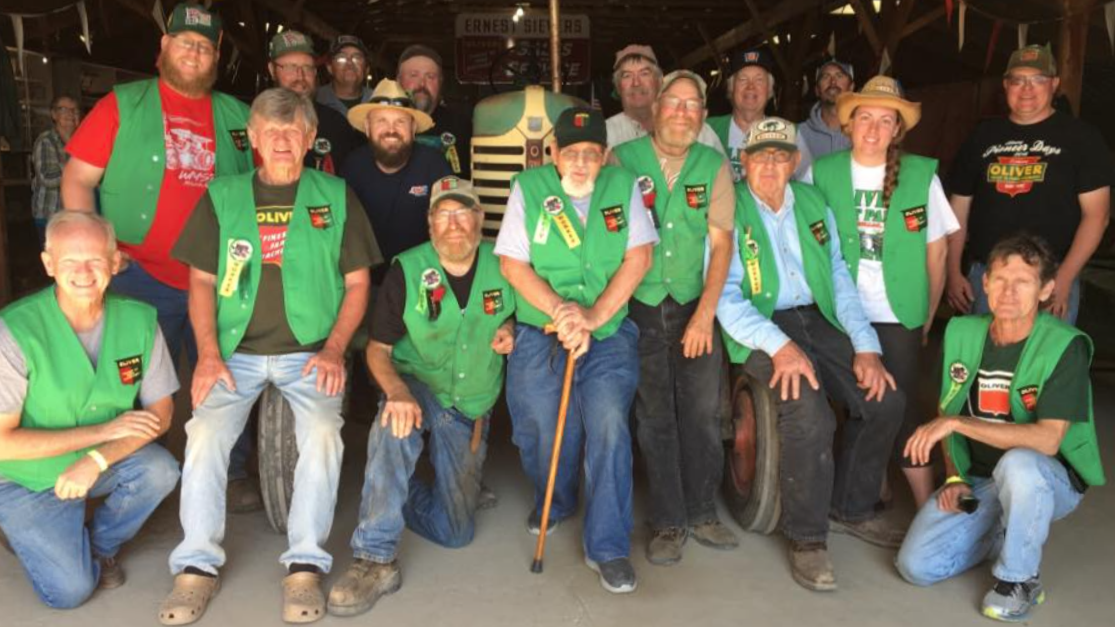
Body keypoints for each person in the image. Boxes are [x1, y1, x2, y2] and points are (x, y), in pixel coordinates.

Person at [159, 88, 380, 625]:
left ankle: (304, 564)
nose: (282, 141)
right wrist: (208, 355)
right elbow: (201, 281)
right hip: (235, 353)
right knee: (204, 435)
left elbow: (357, 283)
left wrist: (334, 350)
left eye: (292, 131)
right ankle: (196, 567)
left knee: (324, 435)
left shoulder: (335, 194)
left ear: (309, 138)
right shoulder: (223, 196)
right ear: (254, 138)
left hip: (310, 354)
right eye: (271, 132)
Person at [717, 117, 905, 592]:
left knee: (884, 400)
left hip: (819, 317)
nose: (770, 166)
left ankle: (851, 508)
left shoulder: (813, 202)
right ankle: (807, 539)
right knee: (808, 412)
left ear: (795, 162)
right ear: (744, 162)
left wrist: (865, 345)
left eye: (780, 156)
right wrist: (780, 346)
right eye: (760, 157)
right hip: (761, 325)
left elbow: (838, 275)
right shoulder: (729, 206)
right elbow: (725, 295)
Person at [328, 177, 514, 616]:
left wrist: (511, 329)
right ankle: (375, 557)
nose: (454, 224)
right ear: (430, 223)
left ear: (480, 218)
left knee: (456, 532)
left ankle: (395, 488)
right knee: (394, 426)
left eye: (463, 213)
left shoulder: (507, 263)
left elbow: (527, 316)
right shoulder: (407, 269)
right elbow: (377, 350)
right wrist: (396, 392)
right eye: (444, 214)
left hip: (470, 404)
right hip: (418, 386)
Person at [897, 234, 1105, 622]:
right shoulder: (961, 332)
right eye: (1000, 280)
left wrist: (956, 422)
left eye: (1023, 282)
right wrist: (955, 476)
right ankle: (1006, 528)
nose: (1009, 292)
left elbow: (1047, 440)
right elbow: (948, 407)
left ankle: (1020, 580)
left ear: (1046, 290)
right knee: (916, 566)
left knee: (1019, 464)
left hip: (1048, 479)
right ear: (985, 284)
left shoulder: (1065, 346)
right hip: (982, 478)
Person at [496, 106, 656, 593]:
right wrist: (563, 312)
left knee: (608, 423)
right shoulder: (528, 188)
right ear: (554, 153)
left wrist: (592, 317)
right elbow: (512, 264)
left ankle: (608, 545)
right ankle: (558, 498)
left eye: (591, 153)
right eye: (572, 153)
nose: (582, 163)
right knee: (539, 425)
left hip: (606, 331)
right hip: (541, 328)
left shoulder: (622, 185)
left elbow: (639, 257)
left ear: (604, 155)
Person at [0, 212, 180, 609]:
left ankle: (100, 545)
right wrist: (101, 433)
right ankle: (27, 529)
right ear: (48, 264)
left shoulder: (140, 320)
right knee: (69, 593)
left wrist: (96, 459)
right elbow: (3, 445)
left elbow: (162, 414)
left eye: (96, 260)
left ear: (115, 262)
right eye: (70, 261)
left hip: (98, 461)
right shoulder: (14, 330)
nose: (83, 273)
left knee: (160, 470)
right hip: (23, 478)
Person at [61, 2, 254, 365]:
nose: (194, 53)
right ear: (165, 44)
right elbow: (77, 179)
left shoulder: (242, 117)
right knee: (138, 387)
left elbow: (272, 187)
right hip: (138, 276)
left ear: (216, 56)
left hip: (223, 280)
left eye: (205, 46)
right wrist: (98, 249)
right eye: (185, 42)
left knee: (223, 386)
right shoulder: (121, 104)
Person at [806, 75, 960, 507]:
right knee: (857, 404)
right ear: (848, 124)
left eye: (885, 120)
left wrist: (925, 317)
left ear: (897, 130)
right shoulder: (821, 173)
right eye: (865, 118)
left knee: (902, 407)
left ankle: (925, 504)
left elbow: (937, 254)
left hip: (899, 312)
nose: (873, 129)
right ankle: (871, 488)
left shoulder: (921, 175)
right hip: (840, 312)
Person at [612, 71, 738, 566]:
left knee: (702, 413)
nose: (682, 113)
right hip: (639, 303)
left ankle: (703, 511)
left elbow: (722, 244)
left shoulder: (713, 165)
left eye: (692, 105)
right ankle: (667, 520)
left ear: (703, 116)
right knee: (654, 415)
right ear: (656, 108)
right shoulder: (622, 160)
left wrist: (705, 313)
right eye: (674, 103)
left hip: (692, 302)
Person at [946, 44, 1113, 325]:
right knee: (986, 353)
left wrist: (1064, 279)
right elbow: (957, 210)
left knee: (1046, 354)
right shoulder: (982, 136)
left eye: (1037, 80)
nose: (1027, 89)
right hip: (987, 277)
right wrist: (953, 271)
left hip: (1051, 278)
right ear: (1006, 85)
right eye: (1018, 80)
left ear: (1054, 84)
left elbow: (1097, 216)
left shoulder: (1081, 137)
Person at [342, 78, 451, 282]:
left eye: (400, 121)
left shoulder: (434, 165)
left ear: (413, 127)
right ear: (367, 127)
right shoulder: (352, 166)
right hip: (365, 282)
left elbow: (451, 228)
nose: (391, 130)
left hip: (422, 279)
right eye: (381, 121)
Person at [706, 48, 813, 181]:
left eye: (759, 80)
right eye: (743, 79)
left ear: (769, 90)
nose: (750, 86)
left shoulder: (790, 133)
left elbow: (808, 184)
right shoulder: (708, 129)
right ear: (731, 88)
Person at [268, 30, 364, 174]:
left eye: (307, 67)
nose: (300, 76)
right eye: (290, 67)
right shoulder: (256, 123)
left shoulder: (337, 125)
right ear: (272, 70)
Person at [605, 44, 725, 154]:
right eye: (627, 75)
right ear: (618, 87)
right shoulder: (606, 133)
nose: (636, 83)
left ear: (659, 81)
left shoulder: (699, 130)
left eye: (644, 73)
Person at [397, 44, 472, 178]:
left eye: (430, 76)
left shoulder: (462, 125)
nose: (422, 84)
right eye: (413, 75)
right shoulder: (381, 126)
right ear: (398, 81)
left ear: (440, 83)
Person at [31, 95, 80, 243]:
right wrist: (80, 170)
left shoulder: (81, 141)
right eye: (64, 109)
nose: (70, 114)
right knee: (55, 257)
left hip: (74, 215)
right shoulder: (46, 141)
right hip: (50, 215)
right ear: (53, 115)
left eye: (74, 110)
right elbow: (48, 178)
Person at [798, 58, 855, 159]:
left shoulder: (864, 132)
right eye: (825, 76)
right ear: (817, 90)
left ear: (851, 87)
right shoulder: (799, 134)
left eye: (839, 76)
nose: (833, 82)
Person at [316, 35, 374, 117]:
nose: (349, 63)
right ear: (330, 68)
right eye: (341, 58)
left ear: (367, 69)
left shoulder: (379, 101)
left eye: (357, 58)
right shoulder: (314, 100)